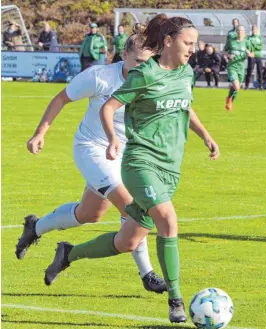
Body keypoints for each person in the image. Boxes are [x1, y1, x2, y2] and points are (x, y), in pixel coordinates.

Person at [43, 14, 220, 323]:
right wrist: (112, 139)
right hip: (139, 164)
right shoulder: (144, 75)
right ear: (168, 42)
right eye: (188, 43)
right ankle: (176, 300)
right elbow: (109, 106)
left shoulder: (185, 73)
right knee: (168, 220)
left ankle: (67, 254)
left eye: (194, 43)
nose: (194, 49)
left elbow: (184, 105)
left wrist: (206, 136)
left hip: (169, 168)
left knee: (127, 241)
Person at [15, 31, 167, 295]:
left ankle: (35, 227)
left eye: (149, 61)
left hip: (124, 155)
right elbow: (61, 98)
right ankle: (147, 273)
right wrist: (40, 133)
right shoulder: (100, 76)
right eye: (139, 61)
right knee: (132, 208)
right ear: (124, 56)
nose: (144, 67)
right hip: (92, 149)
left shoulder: (151, 80)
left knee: (89, 214)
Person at [224, 25, 254, 111]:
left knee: (238, 89)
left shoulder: (247, 42)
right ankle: (229, 100)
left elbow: (253, 54)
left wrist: (249, 54)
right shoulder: (231, 41)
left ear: (244, 32)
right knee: (236, 86)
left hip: (241, 68)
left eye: (242, 30)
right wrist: (229, 55)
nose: (240, 32)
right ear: (236, 32)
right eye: (238, 30)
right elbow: (224, 51)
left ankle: (230, 101)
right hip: (232, 67)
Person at [245, 25, 264, 89]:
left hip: (258, 56)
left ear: (257, 30)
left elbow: (261, 46)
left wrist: (254, 46)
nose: (254, 31)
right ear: (252, 30)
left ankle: (260, 85)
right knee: (249, 70)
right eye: (253, 29)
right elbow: (248, 46)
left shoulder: (260, 38)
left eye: (255, 29)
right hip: (251, 56)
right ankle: (247, 85)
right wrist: (250, 51)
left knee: (260, 71)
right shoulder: (249, 38)